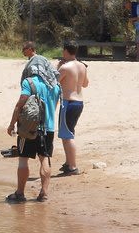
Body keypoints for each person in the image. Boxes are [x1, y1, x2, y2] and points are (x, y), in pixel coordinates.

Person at [6, 49, 62, 203]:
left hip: (28, 128)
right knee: (45, 159)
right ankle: (43, 193)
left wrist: (12, 124)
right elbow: (54, 106)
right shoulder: (55, 86)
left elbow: (20, 104)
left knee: (23, 159)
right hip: (48, 128)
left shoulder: (29, 82)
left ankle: (20, 193)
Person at [57, 40, 89, 175]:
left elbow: (53, 81)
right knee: (68, 133)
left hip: (68, 102)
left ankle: (72, 166)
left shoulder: (65, 67)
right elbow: (85, 84)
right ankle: (68, 162)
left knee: (67, 136)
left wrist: (57, 66)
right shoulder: (82, 66)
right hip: (79, 103)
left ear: (65, 51)